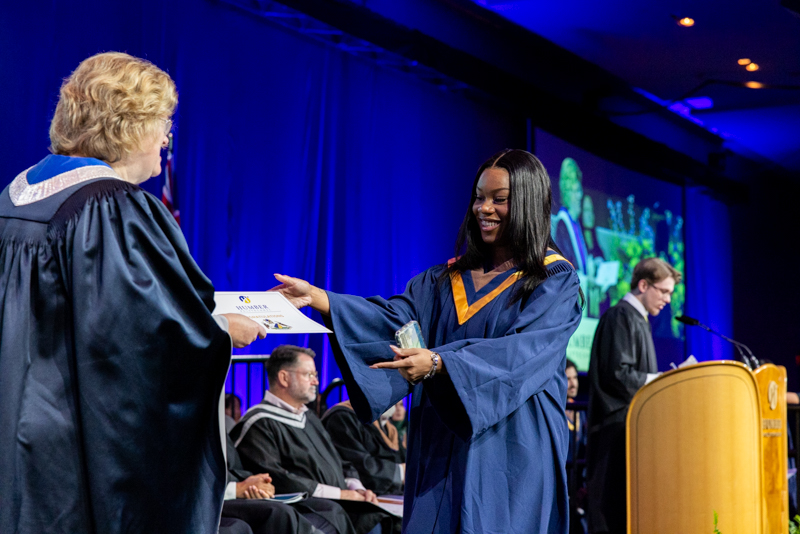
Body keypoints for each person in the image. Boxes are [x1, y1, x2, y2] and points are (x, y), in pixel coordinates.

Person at [0, 52, 266, 534]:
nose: (167, 138)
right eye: (164, 122)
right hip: (71, 444)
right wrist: (220, 332)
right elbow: (138, 342)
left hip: (14, 433)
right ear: (128, 125)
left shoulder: (14, 199)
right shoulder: (112, 208)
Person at [271, 149, 583, 533]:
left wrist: (440, 364)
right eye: (478, 197)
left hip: (511, 444)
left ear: (529, 202)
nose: (483, 208)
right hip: (441, 436)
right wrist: (321, 298)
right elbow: (395, 322)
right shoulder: (442, 280)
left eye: (499, 199)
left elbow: (521, 354)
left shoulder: (553, 280)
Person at [231, 345, 394, 534]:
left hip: (340, 503)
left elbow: (339, 461)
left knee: (381, 518)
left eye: (315, 374)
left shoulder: (309, 418)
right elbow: (279, 480)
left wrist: (356, 487)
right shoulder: (260, 422)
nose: (316, 381)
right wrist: (342, 494)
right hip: (305, 509)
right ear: (284, 378)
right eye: (309, 375)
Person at [585, 257, 680, 534]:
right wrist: (659, 381)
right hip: (613, 432)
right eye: (663, 291)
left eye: (670, 294)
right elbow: (618, 375)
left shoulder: (638, 319)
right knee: (610, 510)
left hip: (631, 432)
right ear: (643, 284)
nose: (667, 300)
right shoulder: (620, 317)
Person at [322, 400, 406, 495]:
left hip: (389, 493)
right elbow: (358, 464)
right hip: (364, 493)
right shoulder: (343, 417)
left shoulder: (388, 428)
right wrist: (401, 472)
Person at [565, 359, 587, 534]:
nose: (573, 384)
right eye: (568, 379)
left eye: (575, 378)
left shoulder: (582, 412)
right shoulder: (555, 414)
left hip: (579, 488)